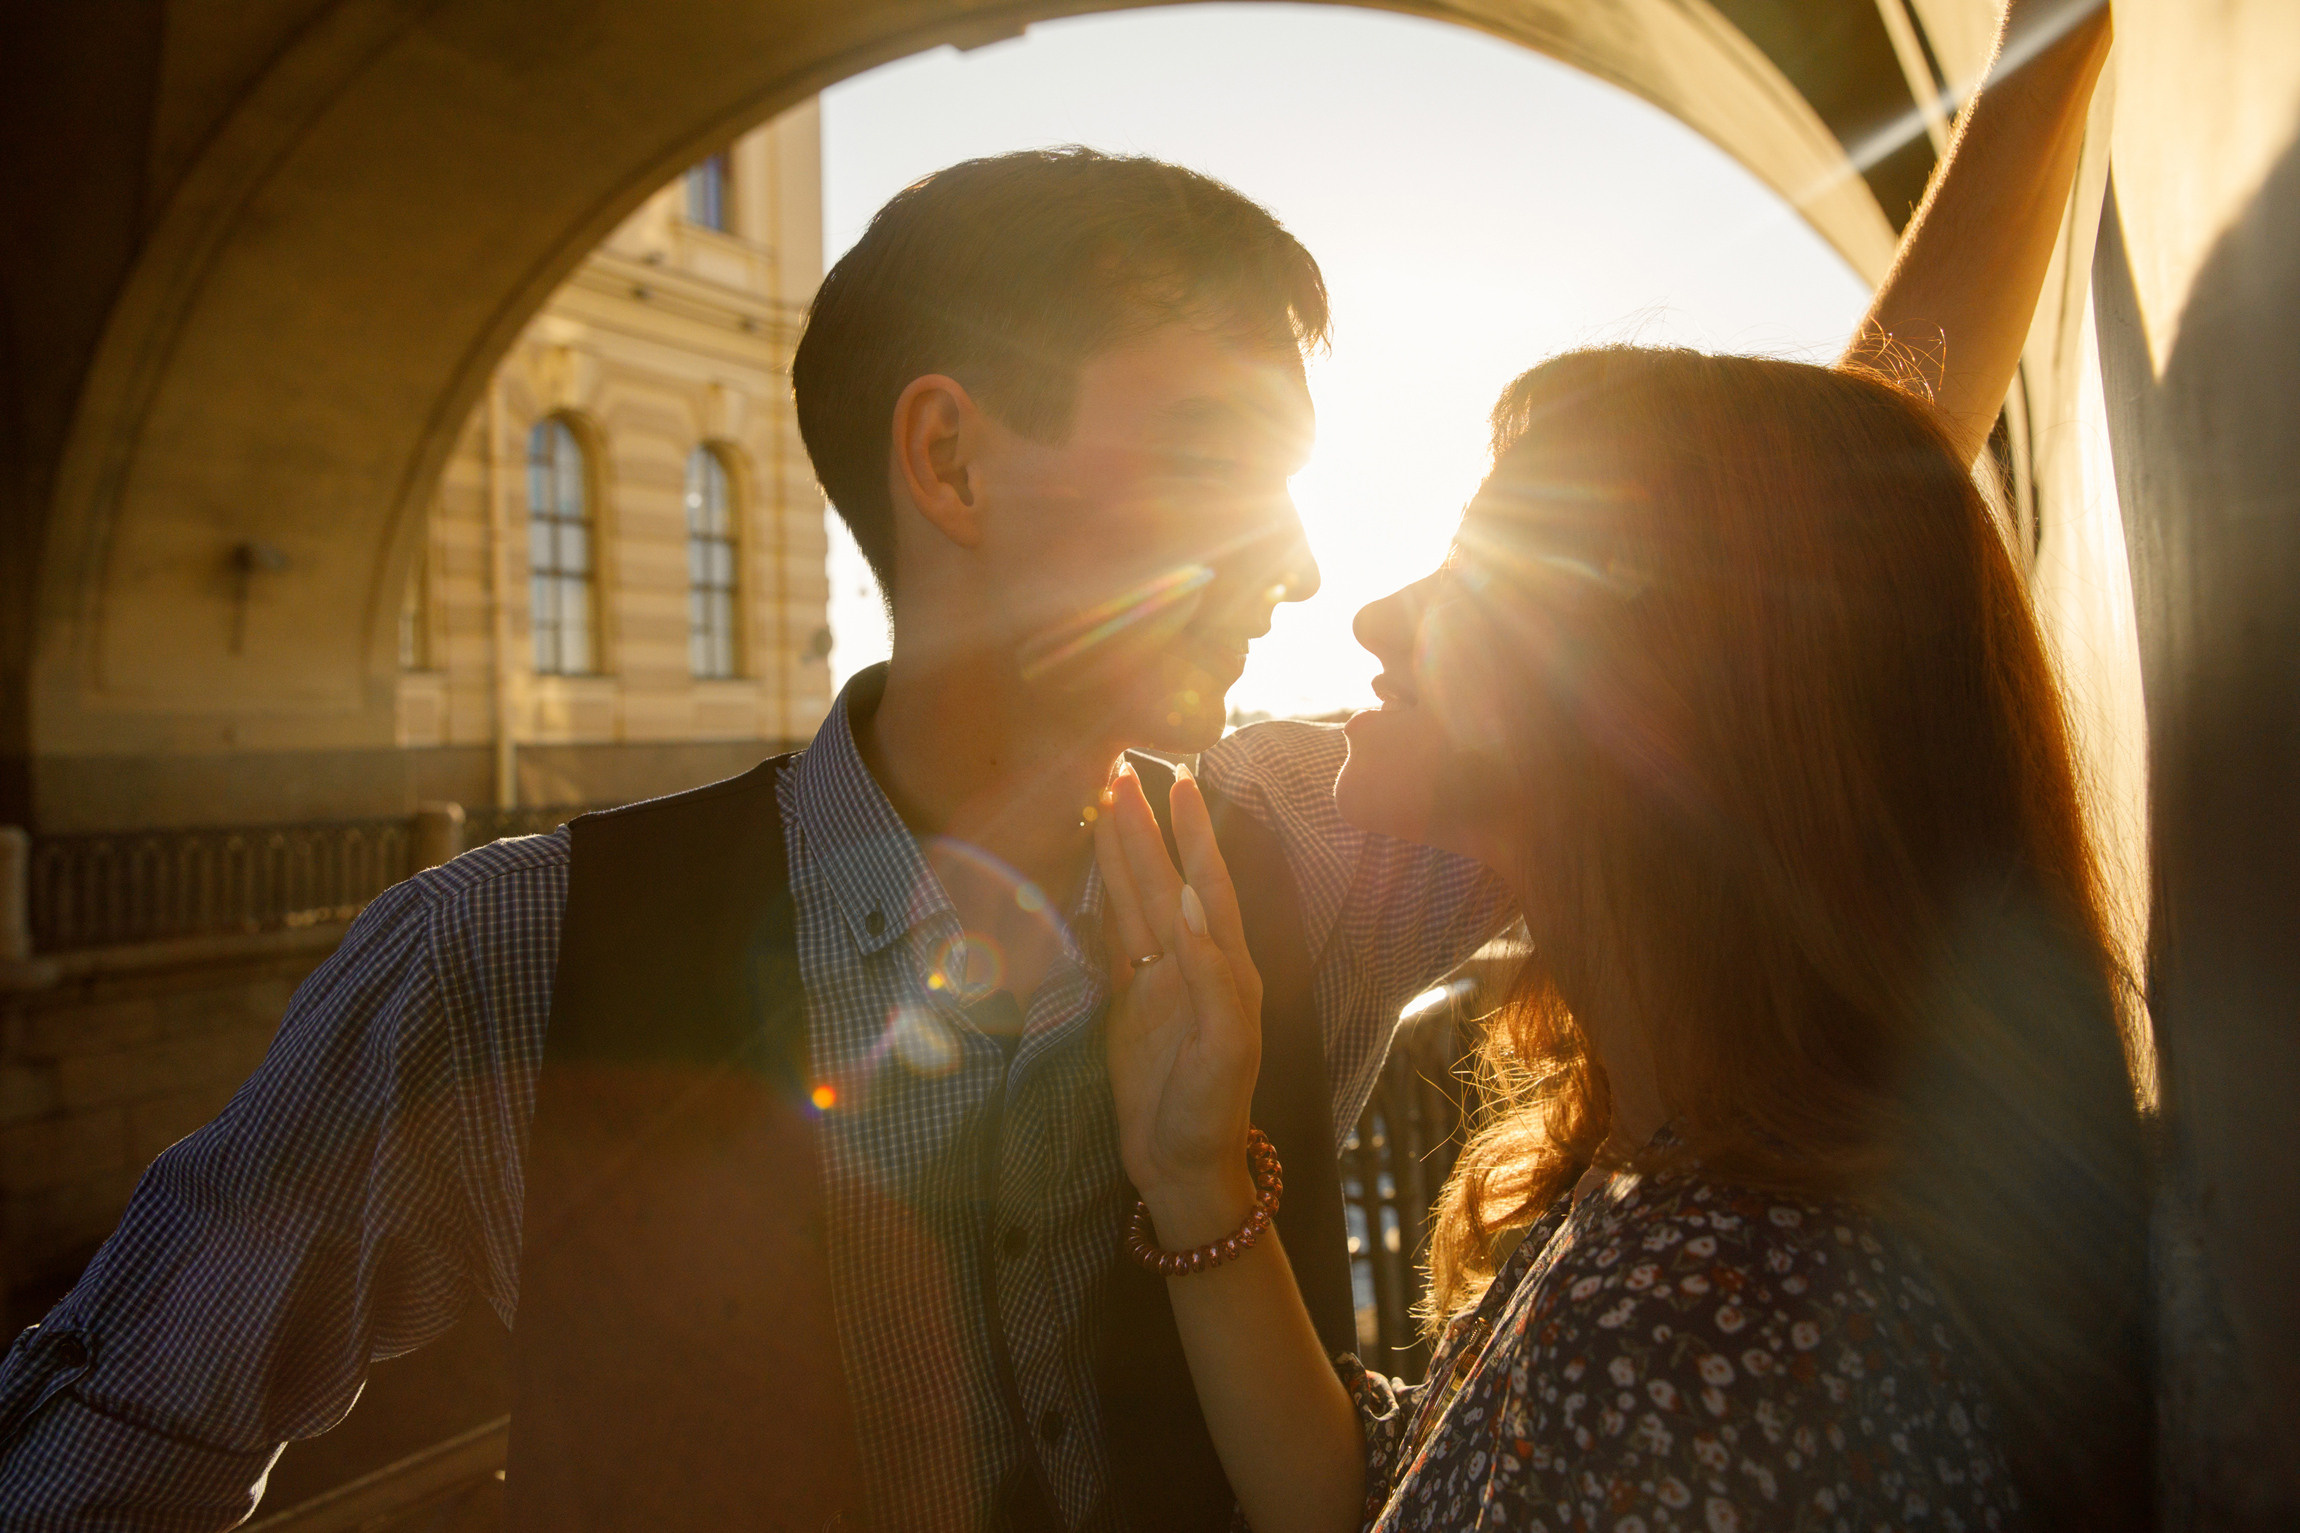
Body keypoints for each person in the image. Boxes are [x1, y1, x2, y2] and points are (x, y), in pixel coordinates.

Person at [0, 2, 2111, 1524]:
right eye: (1219, 464)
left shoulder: (1307, 840)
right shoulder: (488, 965)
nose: (1301, 558)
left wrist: (2036, 75)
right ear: (949, 461)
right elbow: (100, 1457)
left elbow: (1735, 599)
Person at [1089, 8, 2146, 1533]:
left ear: (1653, 719)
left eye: (1485, 577)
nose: (1373, 608)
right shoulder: (1682, 1180)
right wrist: (1194, 1182)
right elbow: (1405, 1490)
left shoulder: (1711, 1326)